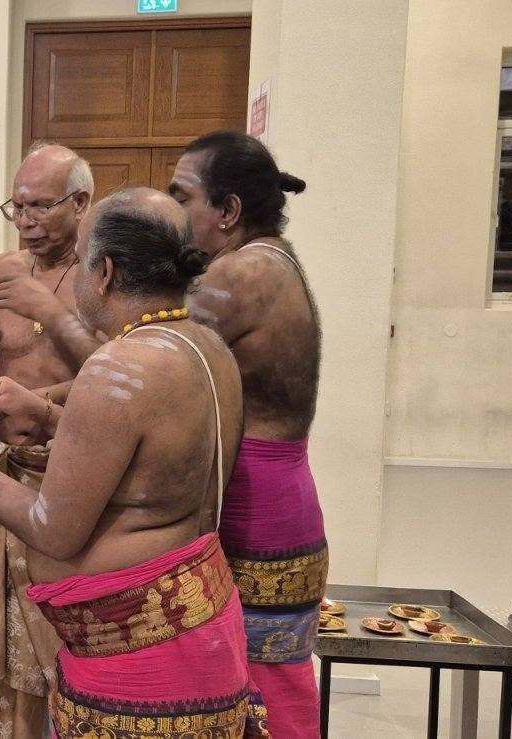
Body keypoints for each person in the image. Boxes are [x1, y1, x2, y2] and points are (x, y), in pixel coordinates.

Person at [0, 187, 265, 738]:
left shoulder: (118, 364)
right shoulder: (207, 346)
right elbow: (144, 454)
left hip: (139, 658)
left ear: (104, 272)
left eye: (80, 260)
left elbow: (51, 529)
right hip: (201, 625)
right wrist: (42, 412)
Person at [0, 143, 106, 738]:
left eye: (41, 207)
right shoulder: (0, 271)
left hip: (71, 473)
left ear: (81, 203)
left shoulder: (103, 273)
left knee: (60, 630)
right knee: (4, 633)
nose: (26, 222)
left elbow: (115, 371)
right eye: (17, 207)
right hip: (3, 471)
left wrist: (50, 313)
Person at [171, 130, 324, 738]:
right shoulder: (271, 259)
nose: (173, 213)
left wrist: (49, 310)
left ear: (228, 210)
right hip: (274, 494)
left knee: (265, 694)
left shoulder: (243, 272)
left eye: (182, 198)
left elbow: (144, 353)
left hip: (258, 506)